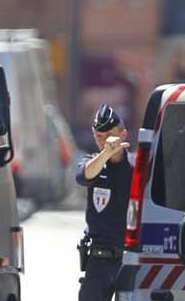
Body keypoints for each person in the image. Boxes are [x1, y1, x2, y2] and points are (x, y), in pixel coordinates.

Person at [76, 103, 133, 301]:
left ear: (123, 134)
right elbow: (83, 176)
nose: (104, 141)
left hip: (130, 259)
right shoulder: (93, 163)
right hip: (98, 262)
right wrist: (106, 154)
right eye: (99, 136)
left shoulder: (136, 168)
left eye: (109, 135)